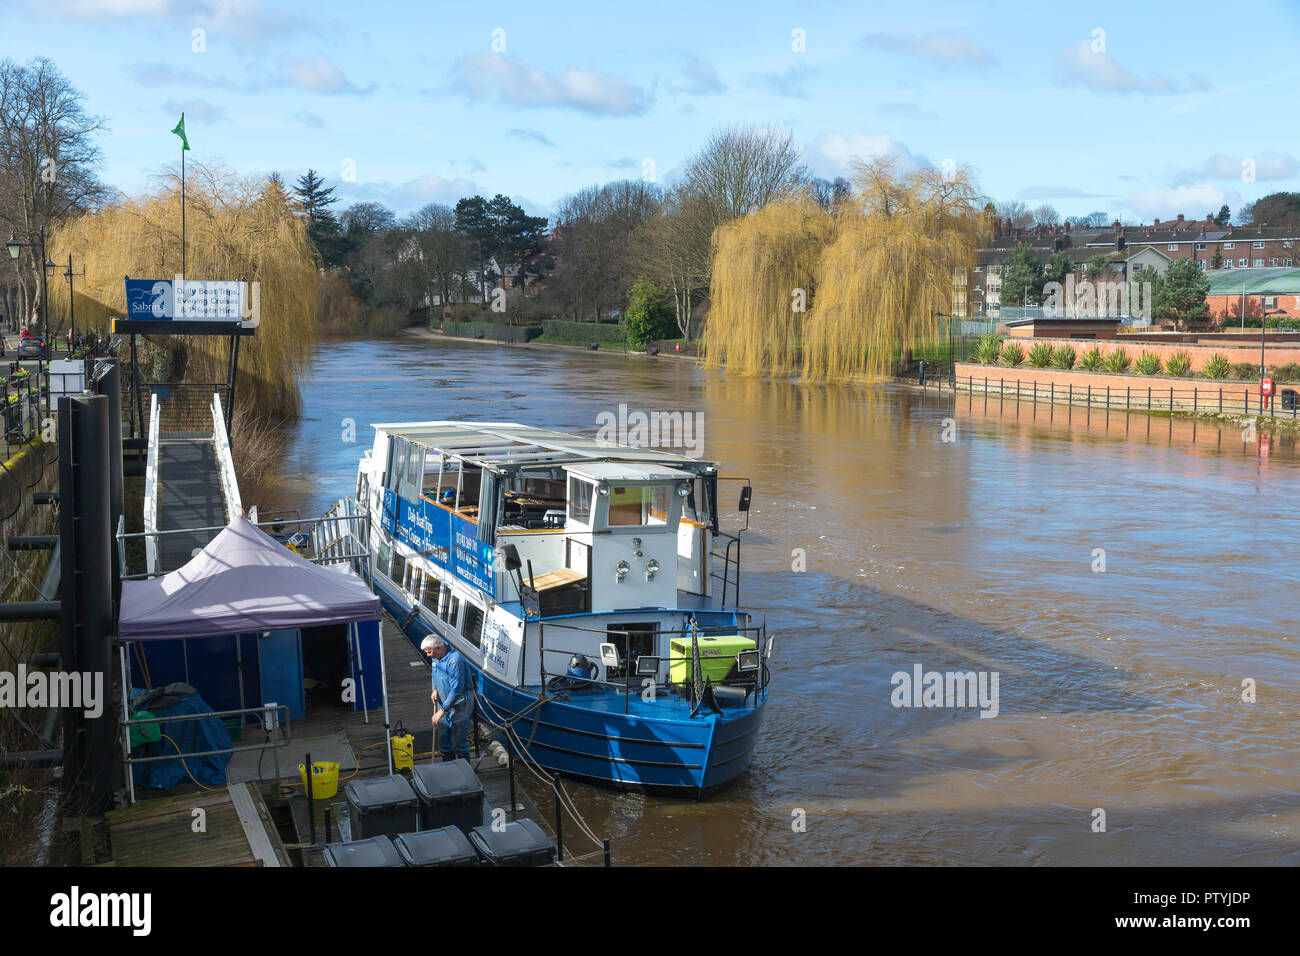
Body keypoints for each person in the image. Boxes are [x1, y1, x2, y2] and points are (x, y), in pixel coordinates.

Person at [421, 633, 475, 761]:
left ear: (439, 648)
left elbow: (457, 690)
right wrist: (434, 688)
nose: (428, 656)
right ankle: (447, 763)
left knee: (458, 740)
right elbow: (434, 672)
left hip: (460, 704)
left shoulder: (455, 661)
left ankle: (464, 768)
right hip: (443, 700)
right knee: (444, 738)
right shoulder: (436, 657)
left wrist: (442, 710)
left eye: (429, 652)